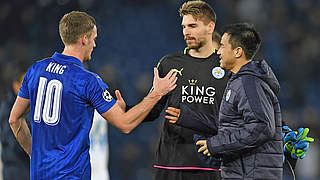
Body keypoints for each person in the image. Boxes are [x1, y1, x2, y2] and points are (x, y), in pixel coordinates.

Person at [8, 11, 177, 179]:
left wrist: (34, 154)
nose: (94, 45)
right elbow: (125, 124)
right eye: (94, 39)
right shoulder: (87, 80)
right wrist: (156, 93)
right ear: (84, 39)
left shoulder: (36, 70)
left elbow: (14, 119)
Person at [122, 1, 229, 180]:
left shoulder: (226, 68)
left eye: (193, 26)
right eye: (184, 26)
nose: (186, 31)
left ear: (210, 27)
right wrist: (126, 108)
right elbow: (154, 110)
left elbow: (232, 121)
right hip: (170, 163)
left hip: (211, 165)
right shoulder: (169, 64)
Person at [166, 23, 283, 179]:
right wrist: (189, 118)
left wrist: (216, 145)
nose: (218, 51)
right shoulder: (240, 82)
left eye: (222, 46)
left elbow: (261, 127)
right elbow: (233, 127)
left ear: (237, 52)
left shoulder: (248, 83)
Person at [0, 68, 30, 180]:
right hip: (15, 170)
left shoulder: (28, 107)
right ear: (16, 85)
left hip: (25, 168)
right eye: (25, 84)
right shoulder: (7, 108)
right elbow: (12, 143)